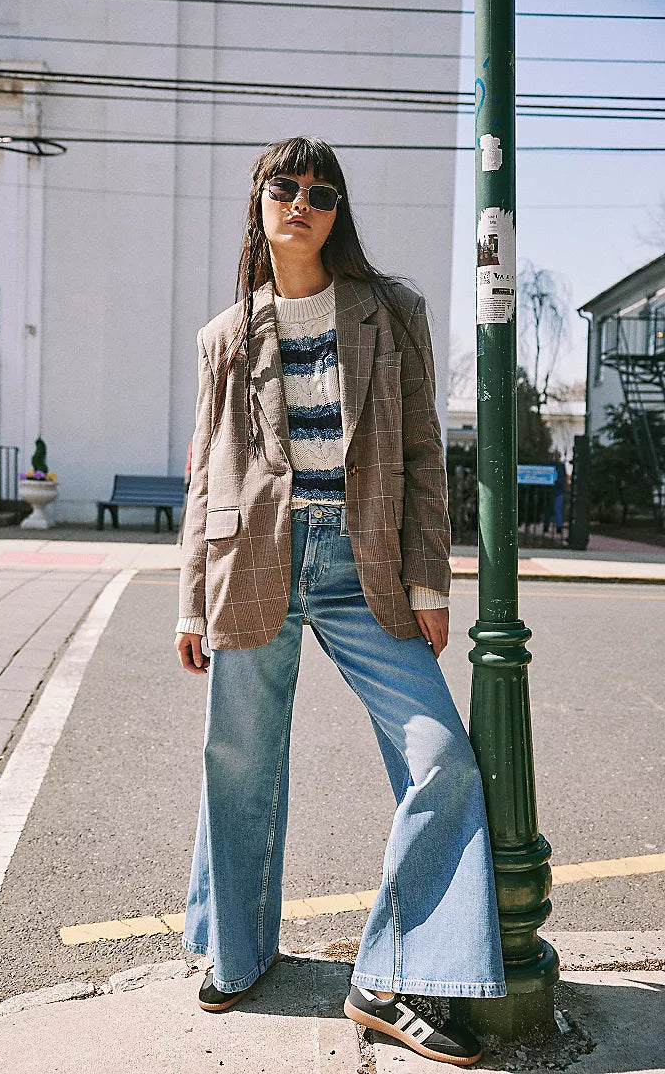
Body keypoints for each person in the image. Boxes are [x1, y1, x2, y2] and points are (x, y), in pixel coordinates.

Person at [174, 137, 505, 1065]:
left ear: (337, 212)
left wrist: (430, 577)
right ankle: (239, 952)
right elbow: (204, 476)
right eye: (285, 187)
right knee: (239, 764)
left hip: (366, 567)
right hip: (253, 562)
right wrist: (190, 602)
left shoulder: (392, 311)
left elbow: (423, 452)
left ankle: (390, 975)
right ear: (260, 202)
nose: (301, 203)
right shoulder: (225, 335)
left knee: (442, 761)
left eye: (320, 193)